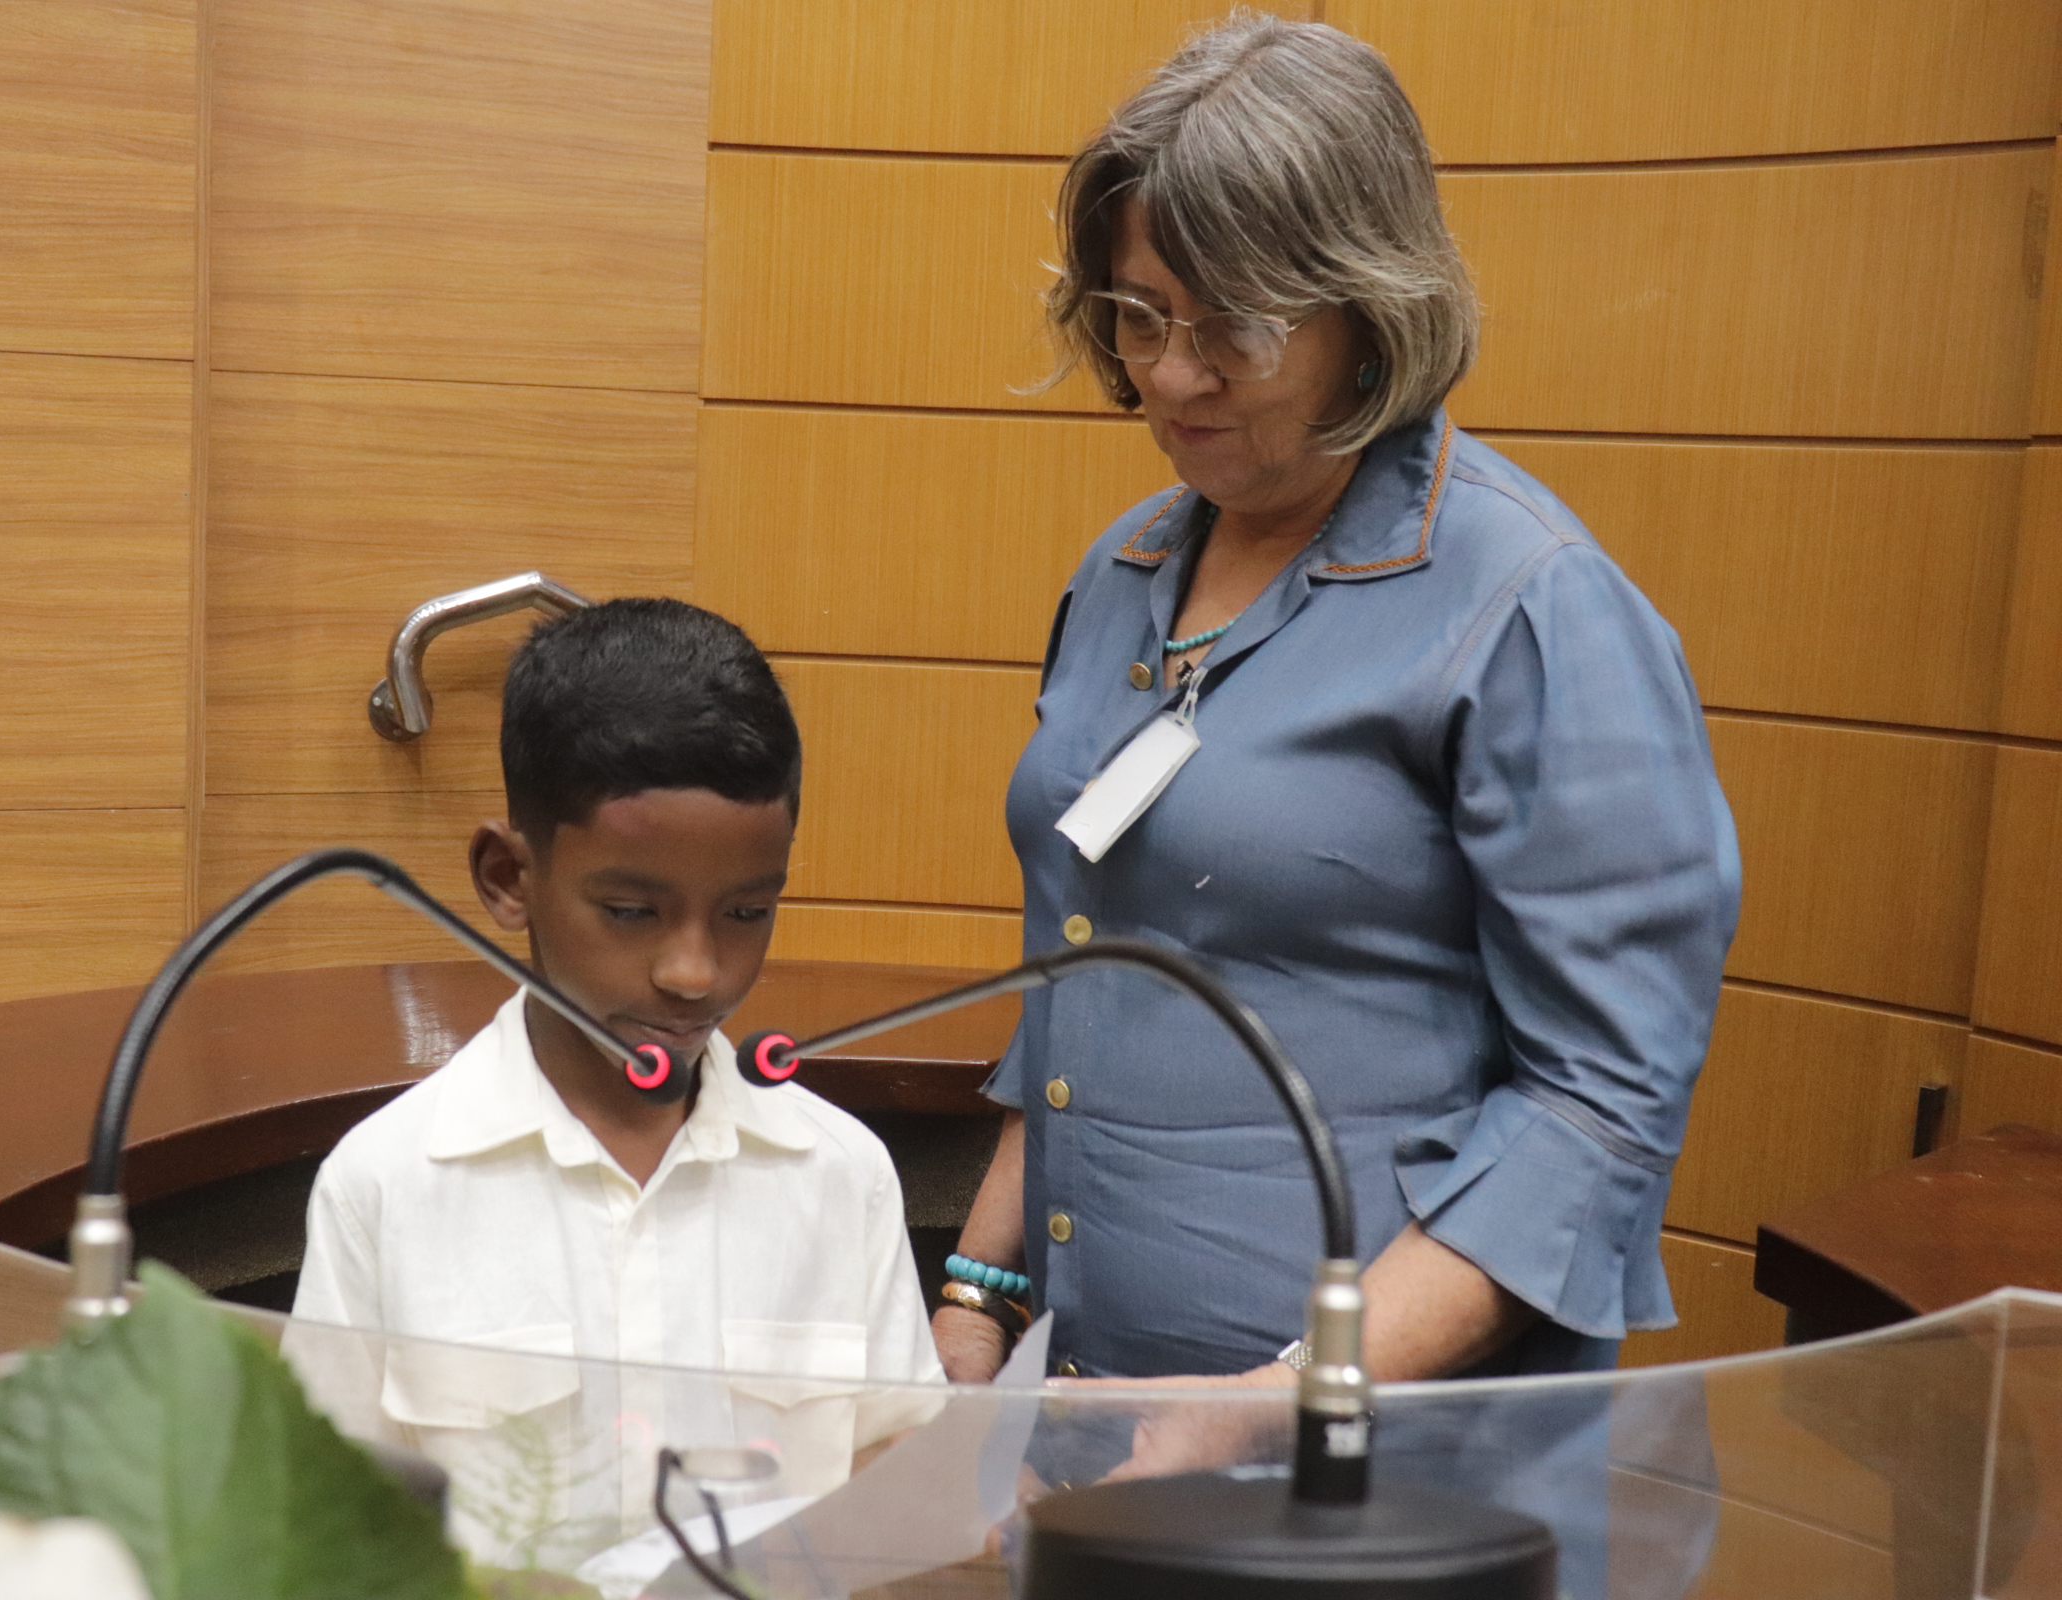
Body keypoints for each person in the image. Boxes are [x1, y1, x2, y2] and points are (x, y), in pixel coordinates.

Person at [934, 15, 1740, 1428]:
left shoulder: (1532, 604)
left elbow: (1599, 1113)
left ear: (1368, 310)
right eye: (1139, 314)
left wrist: (1278, 1401)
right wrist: (977, 1298)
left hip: (1381, 1462)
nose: (1171, 375)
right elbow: (1086, 974)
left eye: (1233, 328)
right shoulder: (1125, 569)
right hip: (1099, 1418)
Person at [289, 599, 943, 1562]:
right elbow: (317, 1540)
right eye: (633, 911)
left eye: (746, 913)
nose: (695, 973)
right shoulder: (387, 1183)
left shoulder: (842, 1176)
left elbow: (899, 1496)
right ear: (508, 879)